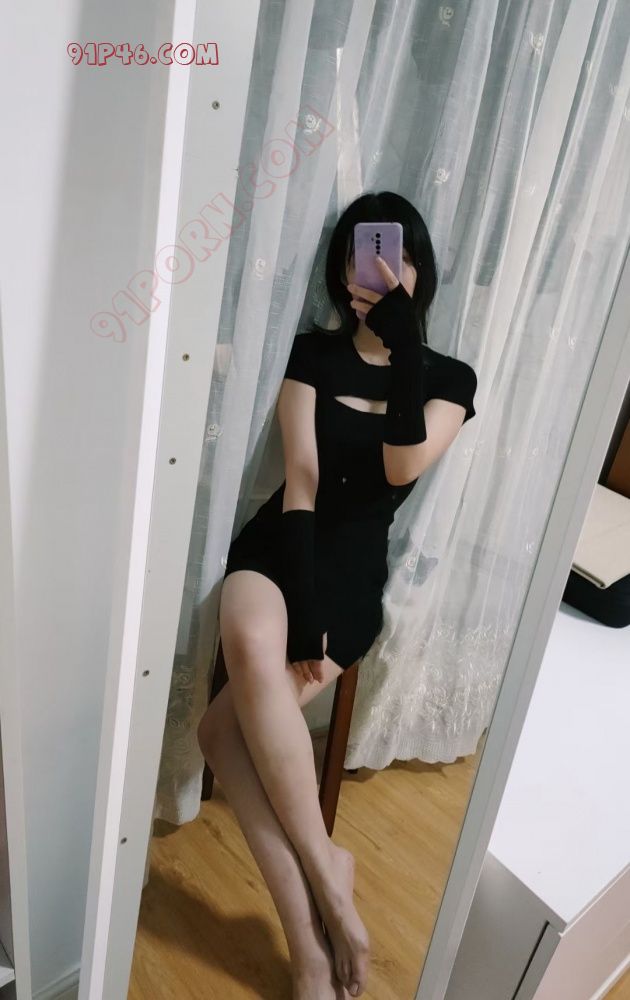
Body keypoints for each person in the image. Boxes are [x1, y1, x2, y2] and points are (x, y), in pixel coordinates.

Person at [197, 191, 477, 999]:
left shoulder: (449, 378)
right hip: (284, 546)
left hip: (355, 570)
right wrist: (303, 607)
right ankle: (324, 900)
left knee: (220, 732)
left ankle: (315, 939)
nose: (384, 270)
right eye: (367, 254)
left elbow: (399, 468)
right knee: (254, 643)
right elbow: (301, 481)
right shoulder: (311, 354)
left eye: (400, 257)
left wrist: (406, 346)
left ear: (421, 271)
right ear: (343, 269)